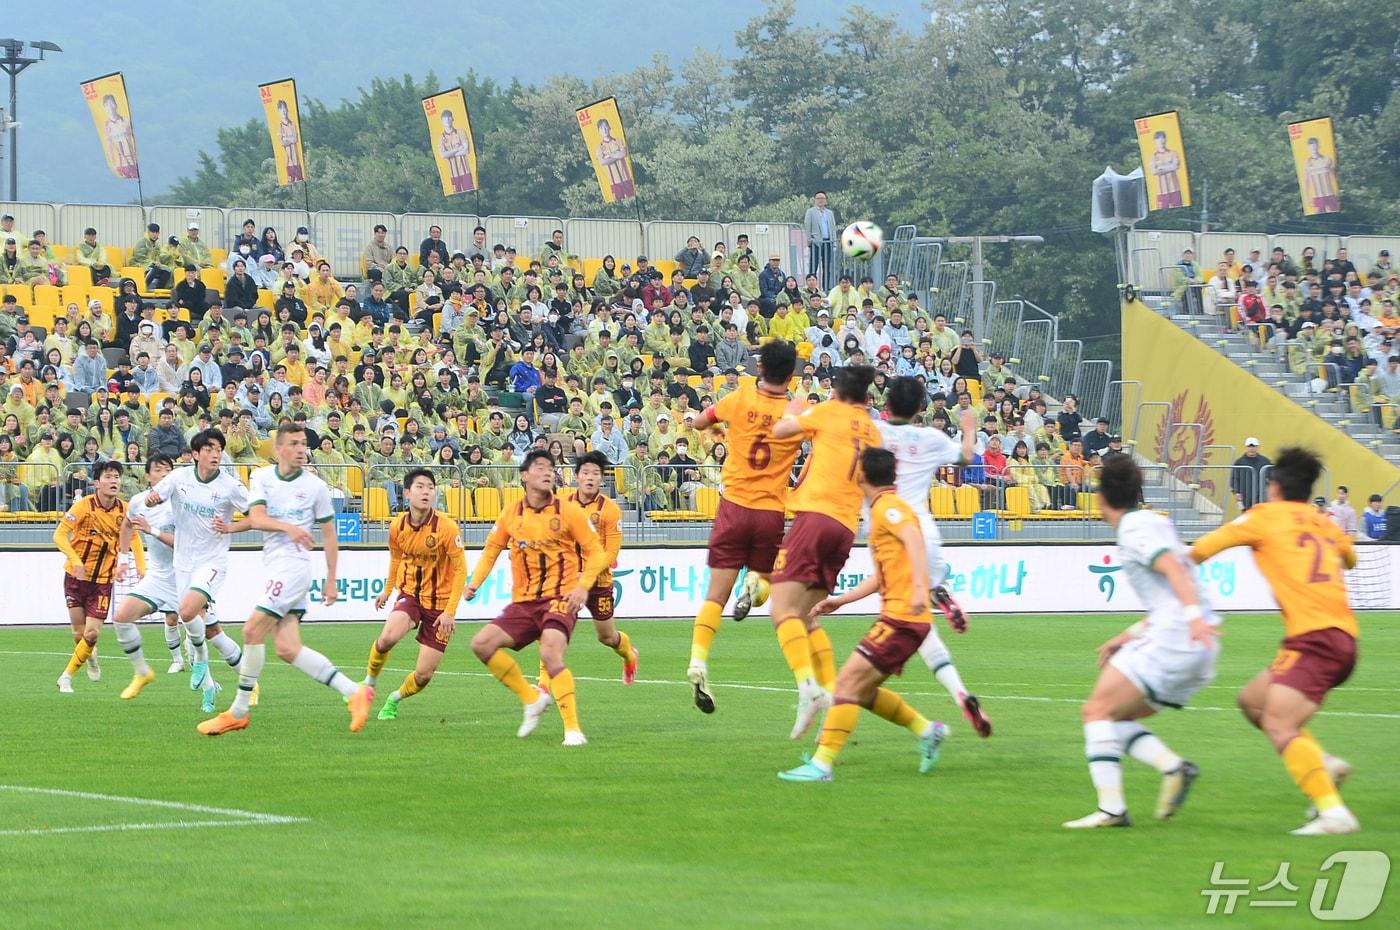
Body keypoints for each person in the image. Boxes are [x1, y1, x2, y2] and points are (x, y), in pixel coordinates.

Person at [1190, 447, 1361, 834]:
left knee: (1279, 724)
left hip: (1315, 639)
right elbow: (1350, 559)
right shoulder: (1324, 522)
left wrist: (1165, 568)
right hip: (1339, 635)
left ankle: (1334, 814)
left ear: (1275, 486)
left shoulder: (1263, 516)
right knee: (1252, 702)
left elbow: (1201, 550)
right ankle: (1324, 764)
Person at [1063, 456, 1220, 828]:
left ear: (1101, 497)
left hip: (1178, 636)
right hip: (1198, 643)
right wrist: (1127, 635)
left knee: (1095, 711)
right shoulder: (1154, 521)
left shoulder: (1134, 530)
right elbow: (1173, 583)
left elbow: (1170, 567)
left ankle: (1111, 810)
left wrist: (1192, 619)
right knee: (1113, 718)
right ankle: (1173, 767)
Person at [776, 447, 950, 782]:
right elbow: (883, 573)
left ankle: (822, 765)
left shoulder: (888, 508)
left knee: (846, 685)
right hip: (904, 620)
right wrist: (842, 600)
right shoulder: (884, 509)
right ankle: (928, 731)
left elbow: (914, 539)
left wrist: (917, 588)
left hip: (902, 619)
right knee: (864, 692)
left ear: (861, 476)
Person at [198, 423, 372, 735]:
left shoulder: (317, 487)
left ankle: (238, 710)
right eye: (293, 443)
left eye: (304, 444)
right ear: (278, 449)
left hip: (294, 569)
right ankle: (354, 691)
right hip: (276, 566)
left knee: (251, 630)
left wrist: (331, 579)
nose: (301, 449)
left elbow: (329, 535)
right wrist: (288, 528)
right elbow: (258, 518)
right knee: (288, 648)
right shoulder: (261, 477)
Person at [683, 341, 804, 711]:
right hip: (770, 511)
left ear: (760, 368)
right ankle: (753, 585)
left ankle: (698, 659)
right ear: (791, 374)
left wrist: (717, 432)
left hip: (733, 505)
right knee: (765, 581)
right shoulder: (796, 412)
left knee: (714, 596)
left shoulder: (740, 398)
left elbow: (702, 422)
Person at [463, 450, 609, 746]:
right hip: (524, 602)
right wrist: (474, 583)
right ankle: (532, 699)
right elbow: (491, 550)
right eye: (539, 466)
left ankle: (573, 729)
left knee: (549, 653)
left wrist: (582, 586)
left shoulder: (568, 511)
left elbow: (595, 550)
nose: (547, 471)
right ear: (524, 475)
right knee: (481, 644)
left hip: (560, 597)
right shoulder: (511, 513)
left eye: (551, 467)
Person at [768, 364, 882, 739]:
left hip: (815, 517)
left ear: (834, 392)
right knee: (808, 617)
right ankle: (830, 690)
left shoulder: (827, 411)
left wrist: (794, 407)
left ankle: (808, 688)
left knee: (782, 611)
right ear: (866, 398)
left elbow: (781, 431)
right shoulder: (873, 431)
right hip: (846, 528)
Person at [877, 377, 993, 737]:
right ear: (920, 409)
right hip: (925, 532)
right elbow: (967, 458)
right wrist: (970, 428)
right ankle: (959, 691)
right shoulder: (931, 437)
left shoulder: (874, 432)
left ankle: (934, 594)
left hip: (892, 532)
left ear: (887, 403)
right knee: (921, 620)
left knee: (913, 627)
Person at [144, 429, 251, 713]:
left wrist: (232, 527)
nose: (216, 454)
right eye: (209, 449)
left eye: (219, 449)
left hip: (213, 562)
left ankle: (201, 662)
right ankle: (210, 687)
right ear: (195, 454)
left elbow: (258, 516)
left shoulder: (230, 486)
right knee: (203, 624)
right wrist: (151, 500)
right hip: (183, 563)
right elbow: (152, 496)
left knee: (188, 612)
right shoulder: (179, 478)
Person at [362, 468, 468, 720]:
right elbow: (396, 559)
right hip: (410, 595)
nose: (426, 492)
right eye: (420, 487)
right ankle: (368, 685)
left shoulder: (447, 528)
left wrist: (450, 612)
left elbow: (461, 570)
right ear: (407, 493)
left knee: (423, 675)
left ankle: (394, 698)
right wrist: (388, 591)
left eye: (430, 487)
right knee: (387, 638)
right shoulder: (398, 525)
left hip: (440, 606)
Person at [550, 451, 638, 687]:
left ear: (602, 479)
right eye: (585, 472)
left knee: (607, 637)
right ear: (576, 477)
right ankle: (542, 686)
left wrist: (586, 575)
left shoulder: (610, 510)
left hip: (598, 583)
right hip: (568, 582)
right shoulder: (562, 505)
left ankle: (629, 654)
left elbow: (611, 553)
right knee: (553, 631)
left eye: (595, 473)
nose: (590, 477)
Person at [110, 454, 184, 698]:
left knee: (210, 634)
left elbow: (186, 544)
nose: (164, 474)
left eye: (168, 470)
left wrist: (152, 530)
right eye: (158, 470)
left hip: (188, 576)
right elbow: (127, 526)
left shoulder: (183, 500)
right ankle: (142, 671)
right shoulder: (139, 501)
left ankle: (247, 684)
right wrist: (122, 559)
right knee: (121, 617)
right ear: (148, 476)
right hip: (159, 576)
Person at [54, 461, 131, 693]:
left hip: (103, 582)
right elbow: (59, 535)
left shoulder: (125, 510)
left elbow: (133, 537)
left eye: (116, 476)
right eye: (108, 477)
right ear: (97, 483)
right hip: (75, 578)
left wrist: (131, 562)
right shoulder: (82, 507)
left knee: (92, 632)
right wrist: (76, 560)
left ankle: (66, 677)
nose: (113, 481)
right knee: (79, 634)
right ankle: (91, 657)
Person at [595, 118, 635, 201]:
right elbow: (602, 162)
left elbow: (624, 153)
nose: (605, 130)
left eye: (606, 127)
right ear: (599, 131)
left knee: (632, 201)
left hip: (626, 179)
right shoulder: (599, 147)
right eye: (602, 128)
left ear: (609, 127)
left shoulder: (618, 141)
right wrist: (617, 154)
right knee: (620, 206)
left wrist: (609, 156)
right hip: (614, 183)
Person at [803, 192, 836, 289]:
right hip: (816, 242)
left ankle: (826, 287)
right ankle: (811, 287)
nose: (820, 200)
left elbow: (833, 227)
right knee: (814, 266)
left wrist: (834, 243)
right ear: (815, 200)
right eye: (818, 198)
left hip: (828, 242)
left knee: (827, 266)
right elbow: (807, 226)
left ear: (825, 200)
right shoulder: (810, 212)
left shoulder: (829, 213)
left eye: (822, 198)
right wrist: (809, 240)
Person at [438, 110, 475, 193]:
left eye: (449, 117)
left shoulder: (461, 132)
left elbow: (466, 150)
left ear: (452, 119)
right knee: (456, 197)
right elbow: (443, 155)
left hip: (465, 171)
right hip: (453, 174)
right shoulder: (441, 138)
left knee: (470, 194)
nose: (447, 120)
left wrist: (449, 154)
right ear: (442, 121)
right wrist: (457, 149)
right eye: (445, 118)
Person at [1229, 437, 1270, 510]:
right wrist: (1236, 492)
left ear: (1257, 447)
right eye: (1249, 446)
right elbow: (1234, 478)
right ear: (1246, 447)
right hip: (1245, 495)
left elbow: (1271, 477)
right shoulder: (1239, 462)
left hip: (1261, 496)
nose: (1251, 448)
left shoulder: (1265, 461)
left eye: (1254, 446)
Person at [1303, 137, 1340, 214]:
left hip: (1330, 194)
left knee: (1336, 214)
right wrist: (1307, 197)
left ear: (1318, 146)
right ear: (1308, 148)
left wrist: (1338, 191)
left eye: (1315, 146)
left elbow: (1335, 176)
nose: (1314, 148)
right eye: (1311, 146)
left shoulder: (1327, 159)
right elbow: (1306, 181)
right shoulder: (1307, 163)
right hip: (1317, 196)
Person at [1148, 130, 1183, 209]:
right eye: (1158, 139)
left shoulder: (1173, 153)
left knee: (1178, 210)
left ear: (1166, 139)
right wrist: (1169, 167)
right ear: (1155, 141)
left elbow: (1176, 166)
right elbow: (1154, 172)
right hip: (1161, 191)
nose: (1160, 141)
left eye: (1162, 138)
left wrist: (1161, 168)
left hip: (1175, 189)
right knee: (1162, 212)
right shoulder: (1153, 156)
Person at [277, 99, 304, 183]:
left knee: (299, 181)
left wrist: (286, 138)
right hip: (288, 162)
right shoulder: (280, 127)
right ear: (279, 111)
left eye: (284, 108)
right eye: (281, 109)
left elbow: (295, 139)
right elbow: (282, 142)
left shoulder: (293, 124)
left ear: (287, 109)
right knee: (291, 183)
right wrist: (289, 139)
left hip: (297, 161)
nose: (283, 111)